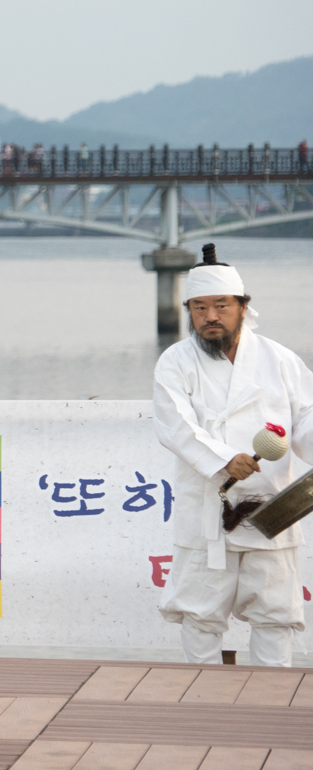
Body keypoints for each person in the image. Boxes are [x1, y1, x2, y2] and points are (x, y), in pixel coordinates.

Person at [154, 244, 313, 666]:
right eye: (199, 307)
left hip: (272, 506)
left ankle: (270, 697)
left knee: (275, 616)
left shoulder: (280, 360)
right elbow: (176, 425)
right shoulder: (175, 361)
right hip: (208, 506)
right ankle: (202, 696)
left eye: (221, 305)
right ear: (189, 311)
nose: (210, 316)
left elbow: (307, 419)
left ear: (244, 307)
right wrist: (224, 459)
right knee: (200, 616)